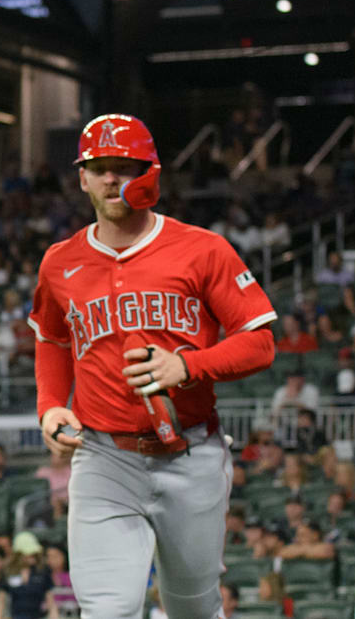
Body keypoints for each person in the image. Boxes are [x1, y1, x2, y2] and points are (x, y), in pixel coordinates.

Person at [31, 115, 277, 618]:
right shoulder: (59, 261)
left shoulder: (203, 249)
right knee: (107, 610)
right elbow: (52, 339)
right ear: (82, 178)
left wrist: (189, 366)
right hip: (104, 457)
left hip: (191, 452)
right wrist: (51, 405)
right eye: (99, 167)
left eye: (124, 166)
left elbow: (261, 344)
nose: (111, 178)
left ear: (151, 173)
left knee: (192, 609)